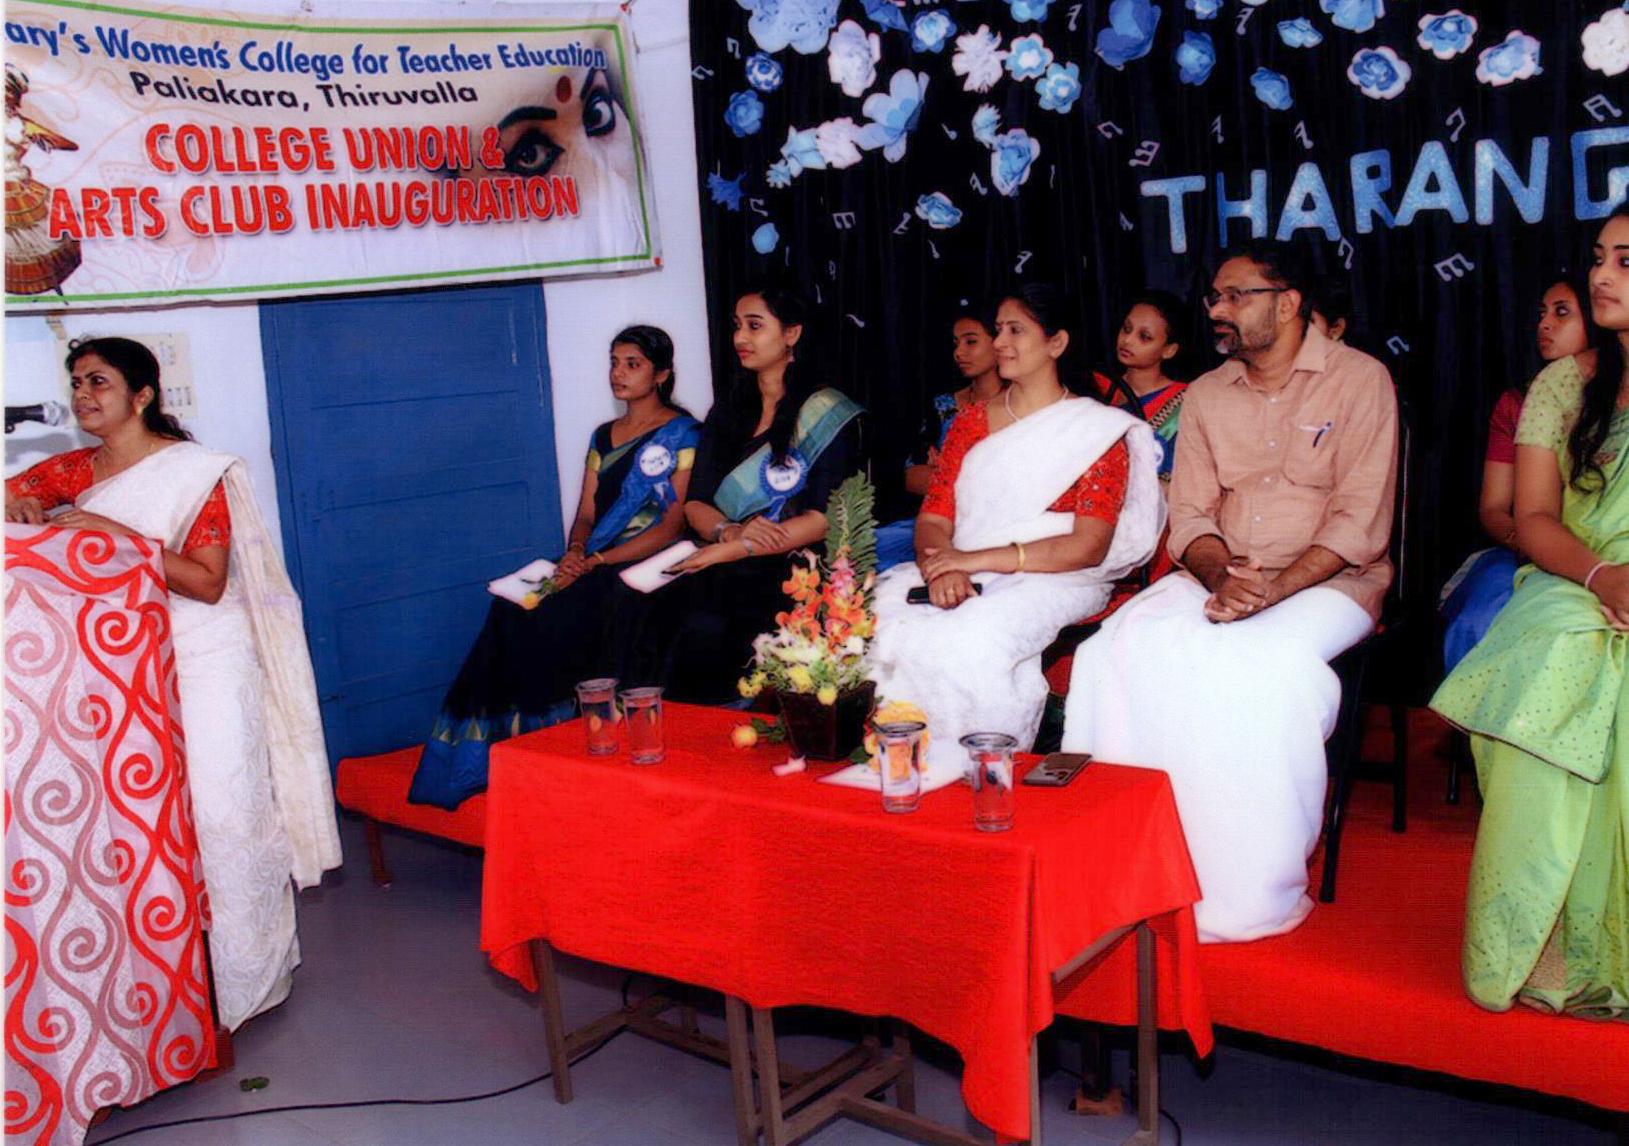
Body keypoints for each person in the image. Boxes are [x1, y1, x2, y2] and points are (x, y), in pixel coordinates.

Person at [1063, 244, 1399, 942]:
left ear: (1288, 302)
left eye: (1234, 296)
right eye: (1213, 297)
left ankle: (1249, 890)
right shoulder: (1208, 394)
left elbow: (1359, 522)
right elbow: (1189, 516)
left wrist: (1273, 590)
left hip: (1330, 579)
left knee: (1258, 666)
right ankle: (1131, 868)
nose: (1216, 309)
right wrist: (1223, 578)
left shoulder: (1361, 380)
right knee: (1111, 652)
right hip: (1221, 575)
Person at [4, 337, 341, 1029]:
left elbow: (207, 582)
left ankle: (250, 978)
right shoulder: (75, 468)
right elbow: (12, 498)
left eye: (98, 381)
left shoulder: (195, 472)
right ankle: (179, 981)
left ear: (142, 395)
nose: (82, 395)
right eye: (76, 382)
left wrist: (114, 534)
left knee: (223, 815)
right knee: (149, 824)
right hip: (121, 663)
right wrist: (22, 507)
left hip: (205, 656)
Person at [1430, 210, 1629, 1020]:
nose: (1600, 275)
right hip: (1573, 573)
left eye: (1625, 261)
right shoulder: (1563, 385)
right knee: (1551, 648)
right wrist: (1603, 577)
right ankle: (1543, 938)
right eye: (1598, 257)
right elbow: (1532, 517)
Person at [868, 284, 1165, 782]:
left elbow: (1087, 547)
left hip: (1059, 576)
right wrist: (942, 568)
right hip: (960, 565)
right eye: (998, 330)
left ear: (1056, 343)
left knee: (973, 641)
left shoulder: (1097, 431)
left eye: (1015, 331)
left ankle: (980, 778)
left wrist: (973, 561)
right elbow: (934, 519)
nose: (1000, 342)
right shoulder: (970, 424)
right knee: (881, 623)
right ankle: (900, 774)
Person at [409, 326, 700, 809]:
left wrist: (596, 560)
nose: (618, 373)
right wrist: (575, 551)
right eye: (614, 362)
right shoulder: (603, 436)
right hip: (592, 560)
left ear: (662, 374)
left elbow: (672, 525)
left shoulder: (684, 434)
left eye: (632, 364)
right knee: (511, 609)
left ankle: (572, 743)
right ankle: (499, 752)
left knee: (566, 613)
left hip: (645, 565)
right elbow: (586, 513)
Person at [616, 283, 863, 703]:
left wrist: (740, 547)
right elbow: (696, 502)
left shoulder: (827, 413)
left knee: (707, 617)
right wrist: (728, 532)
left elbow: (823, 518)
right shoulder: (728, 409)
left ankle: (714, 725)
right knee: (639, 602)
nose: (739, 338)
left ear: (791, 334)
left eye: (754, 326)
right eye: (736, 326)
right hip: (722, 547)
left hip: (793, 562)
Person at [1440, 271, 1597, 671]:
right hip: (1524, 552)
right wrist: (1530, 541)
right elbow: (1493, 508)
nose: (1545, 324)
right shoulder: (1516, 404)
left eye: (1562, 312)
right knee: (1480, 621)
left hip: (1604, 553)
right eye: (1541, 314)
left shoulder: (1616, 401)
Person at [876, 304, 1005, 570]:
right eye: (956, 343)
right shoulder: (944, 407)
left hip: (999, 527)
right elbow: (911, 476)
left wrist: (946, 471)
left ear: (999, 343)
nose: (959, 352)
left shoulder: (1019, 407)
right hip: (937, 524)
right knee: (865, 551)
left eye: (971, 341)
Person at [1098, 290, 1191, 482]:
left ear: (1169, 350)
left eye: (1144, 337)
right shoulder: (1098, 389)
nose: (1127, 340)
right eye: (1126, 328)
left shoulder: (1186, 402)